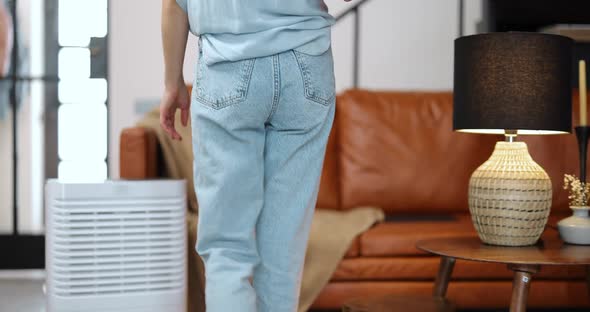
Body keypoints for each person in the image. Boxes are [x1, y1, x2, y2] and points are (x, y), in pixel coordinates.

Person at [160, 1, 349, 311]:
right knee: (282, 247)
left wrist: (172, 82)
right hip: (305, 67)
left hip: (228, 63)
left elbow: (173, 3)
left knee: (226, 249)